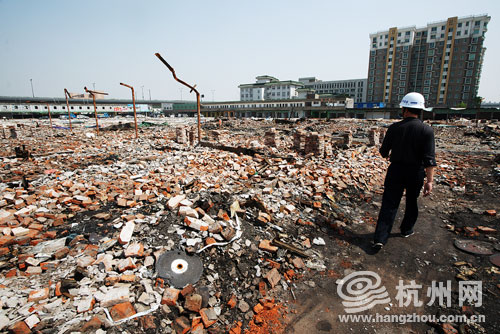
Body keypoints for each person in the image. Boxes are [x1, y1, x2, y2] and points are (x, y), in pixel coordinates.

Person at [373, 92, 436, 250]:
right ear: (420, 110)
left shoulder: (394, 128)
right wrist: (429, 181)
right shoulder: (427, 130)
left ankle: (380, 238)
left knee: (389, 204)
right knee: (412, 201)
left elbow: (383, 152)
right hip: (416, 172)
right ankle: (406, 230)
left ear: (405, 109)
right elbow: (429, 159)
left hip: (396, 170)